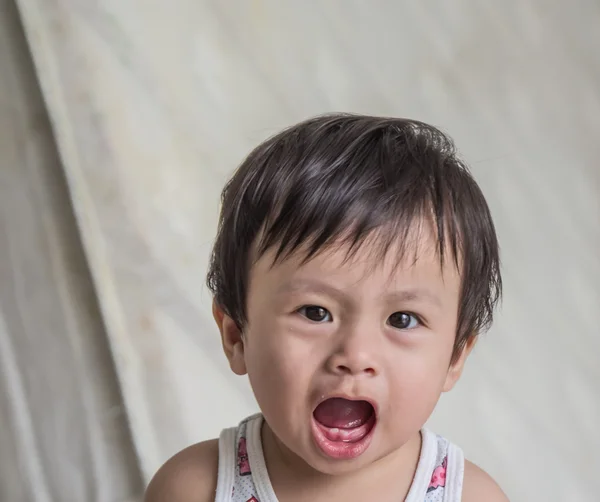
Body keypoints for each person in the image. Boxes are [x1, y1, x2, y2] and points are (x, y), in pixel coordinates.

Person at [145, 114, 509, 501]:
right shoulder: (195, 489)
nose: (355, 355)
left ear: (455, 356)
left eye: (402, 320)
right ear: (236, 336)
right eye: (315, 312)